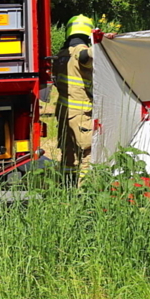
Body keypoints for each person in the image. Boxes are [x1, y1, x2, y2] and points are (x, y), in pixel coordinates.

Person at [54, 15, 97, 184]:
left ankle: (66, 184)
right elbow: (86, 56)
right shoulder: (80, 51)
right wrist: (105, 43)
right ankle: (85, 190)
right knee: (88, 151)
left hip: (63, 110)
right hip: (80, 112)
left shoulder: (61, 54)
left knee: (68, 151)